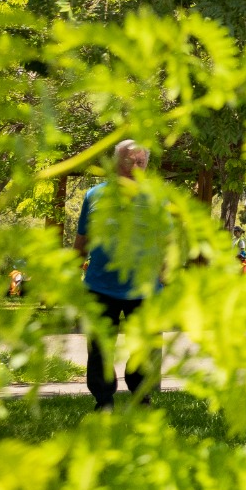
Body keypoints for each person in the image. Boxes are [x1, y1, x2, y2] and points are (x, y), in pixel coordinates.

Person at [77, 141, 156, 410]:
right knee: (99, 347)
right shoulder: (94, 196)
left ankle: (141, 392)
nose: (133, 167)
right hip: (100, 285)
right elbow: (83, 240)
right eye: (127, 161)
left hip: (144, 287)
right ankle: (103, 399)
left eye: (140, 162)